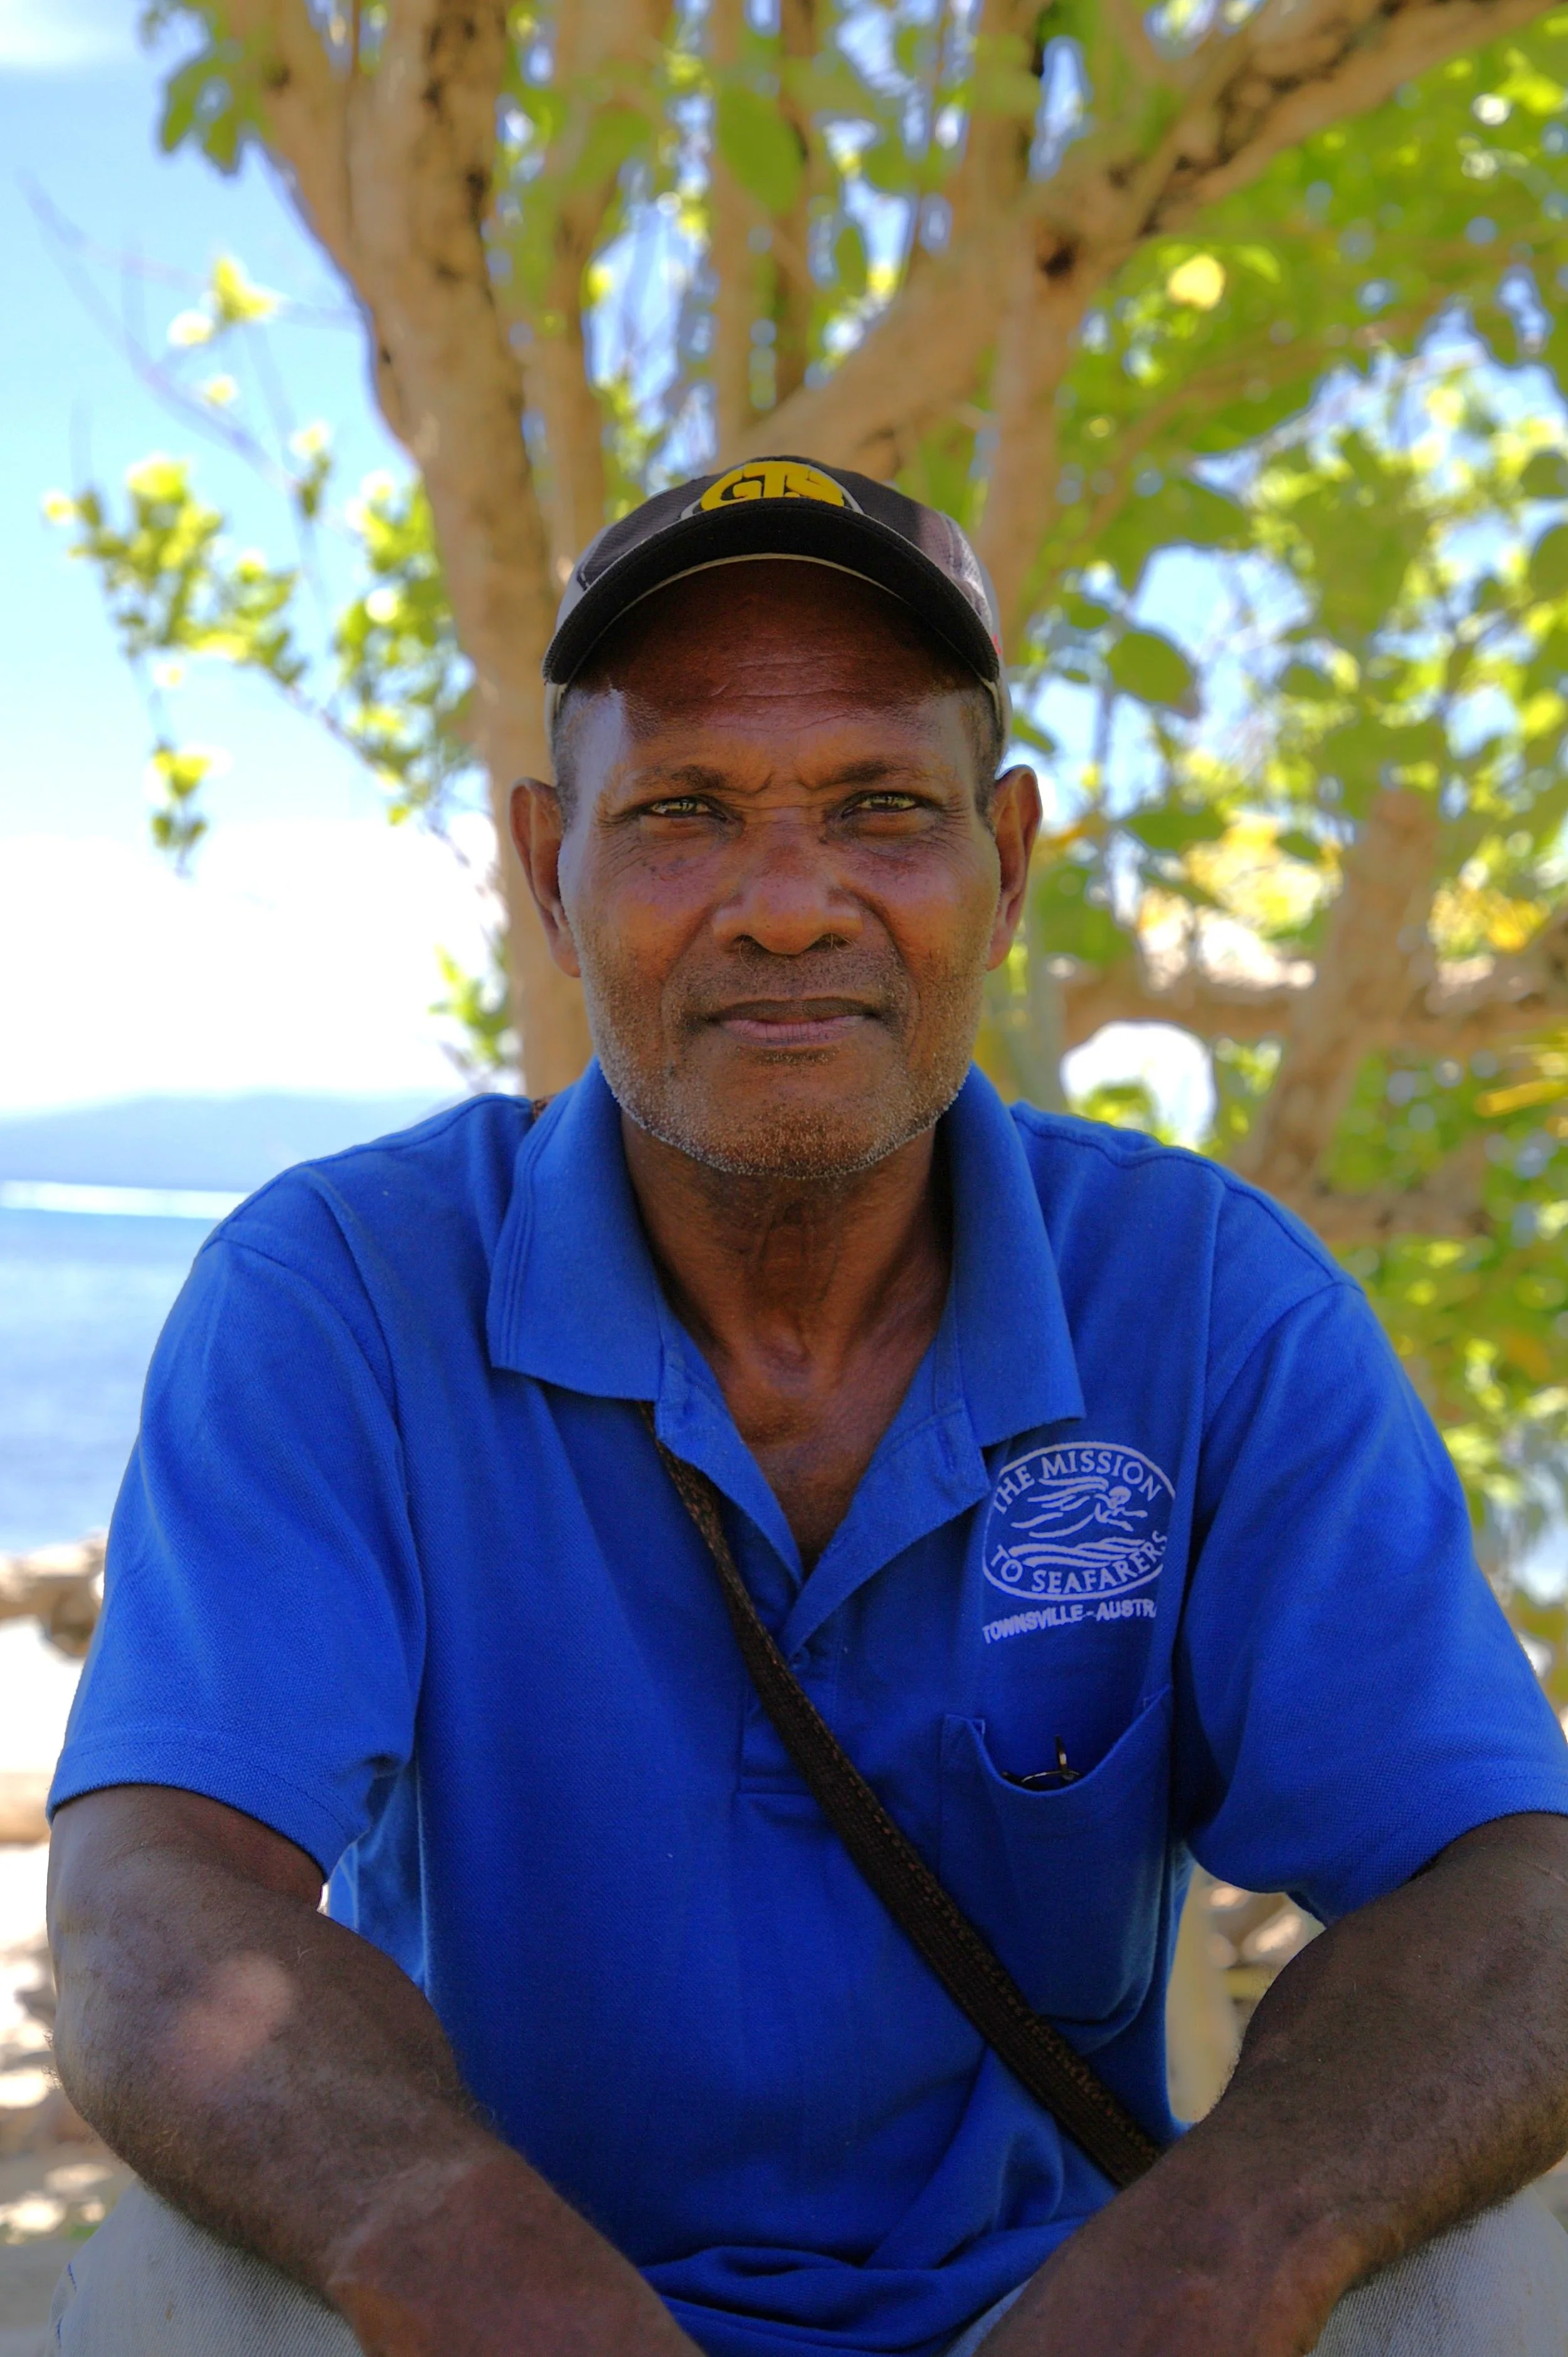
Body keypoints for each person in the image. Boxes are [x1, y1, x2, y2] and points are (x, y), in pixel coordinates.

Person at [44, 457, 1568, 2357]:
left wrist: (1225, 2249)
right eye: (684, 809)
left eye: (881, 807)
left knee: (1497, 2268)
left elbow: (1510, 1888)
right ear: (549, 869)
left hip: (1063, 2307)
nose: (785, 907)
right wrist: (449, 2244)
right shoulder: (342, 1291)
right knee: (173, 2293)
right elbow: (153, 1898)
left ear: (1006, 863)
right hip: (502, 2303)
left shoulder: (1206, 1300)